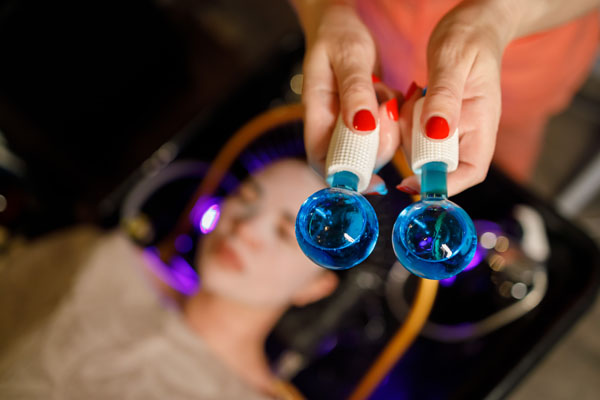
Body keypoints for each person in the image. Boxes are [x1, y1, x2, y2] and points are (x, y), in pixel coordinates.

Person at [0, 158, 338, 399]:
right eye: (245, 198)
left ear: (316, 286)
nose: (246, 227)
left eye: (284, 233)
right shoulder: (102, 261)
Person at [291, 0, 600, 196]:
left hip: (521, 48)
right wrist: (323, 10)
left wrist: (503, 14)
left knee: (503, 165)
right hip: (372, 31)